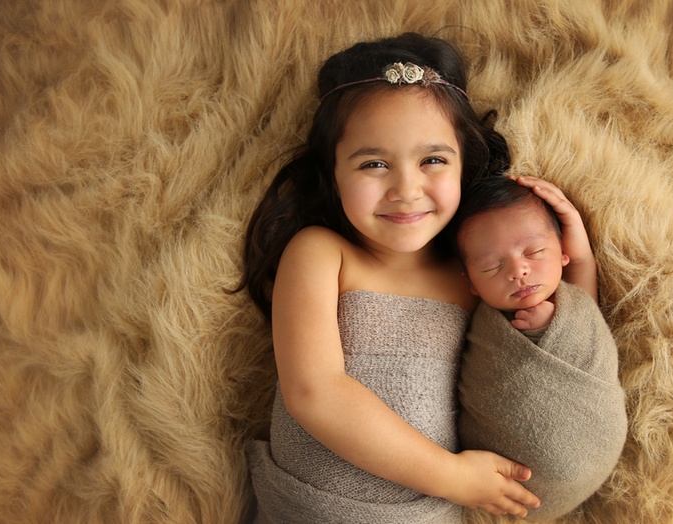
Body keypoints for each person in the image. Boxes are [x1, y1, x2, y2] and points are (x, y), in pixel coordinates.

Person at [236, 33, 575, 523]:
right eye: (373, 164)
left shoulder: (474, 277)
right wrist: (453, 477)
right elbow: (315, 392)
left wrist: (574, 249)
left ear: (465, 164)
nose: (406, 189)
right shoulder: (320, 254)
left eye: (433, 160)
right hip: (313, 508)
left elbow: (558, 342)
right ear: (332, 174)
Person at [454, 175, 628, 520]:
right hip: (504, 478)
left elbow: (582, 265)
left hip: (594, 444)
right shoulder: (483, 330)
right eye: (492, 266)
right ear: (471, 283)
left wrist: (570, 219)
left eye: (534, 252)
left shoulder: (575, 306)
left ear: (562, 253)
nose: (518, 270)